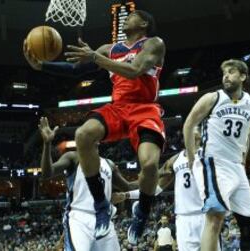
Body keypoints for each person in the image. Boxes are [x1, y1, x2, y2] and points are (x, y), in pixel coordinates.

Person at [24, 10, 166, 243]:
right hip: (118, 108)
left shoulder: (153, 43)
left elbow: (134, 71)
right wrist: (42, 66)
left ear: (143, 23)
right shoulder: (109, 49)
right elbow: (75, 70)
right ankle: (101, 206)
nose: (127, 17)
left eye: (132, 16)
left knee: (149, 164)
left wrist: (95, 57)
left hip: (144, 108)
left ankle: (142, 212)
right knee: (83, 134)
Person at [183, 59, 250, 251]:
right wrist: (192, 158)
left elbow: (248, 134)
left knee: (248, 224)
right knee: (215, 217)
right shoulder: (212, 98)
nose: (226, 75)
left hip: (236, 165)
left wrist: (243, 158)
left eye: (231, 72)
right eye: (224, 72)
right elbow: (188, 125)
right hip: (213, 162)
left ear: (243, 76)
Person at [38, 117, 138, 251]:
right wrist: (47, 144)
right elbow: (47, 173)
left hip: (104, 219)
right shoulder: (73, 157)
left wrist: (155, 176)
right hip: (79, 218)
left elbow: (129, 186)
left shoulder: (109, 164)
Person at [113, 127, 220, 251]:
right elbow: (155, 189)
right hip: (184, 218)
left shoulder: (210, 156)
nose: (192, 134)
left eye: (195, 130)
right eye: (189, 131)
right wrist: (127, 195)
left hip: (207, 216)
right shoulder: (175, 160)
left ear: (200, 136)